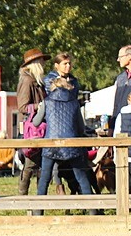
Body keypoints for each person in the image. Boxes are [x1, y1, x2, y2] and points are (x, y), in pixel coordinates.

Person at [37, 53, 95, 208]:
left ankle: (37, 211)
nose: (68, 66)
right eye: (65, 64)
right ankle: (92, 210)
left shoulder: (48, 100)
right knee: (81, 176)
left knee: (45, 177)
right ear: (57, 65)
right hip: (71, 139)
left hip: (52, 140)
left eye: (69, 63)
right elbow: (80, 125)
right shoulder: (53, 83)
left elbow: (37, 120)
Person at [16, 49, 48, 195]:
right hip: (33, 129)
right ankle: (23, 197)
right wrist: (40, 106)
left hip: (40, 127)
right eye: (41, 60)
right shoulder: (27, 80)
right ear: (35, 63)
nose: (43, 63)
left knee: (40, 163)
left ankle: (37, 198)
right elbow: (22, 107)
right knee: (30, 163)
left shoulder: (37, 81)